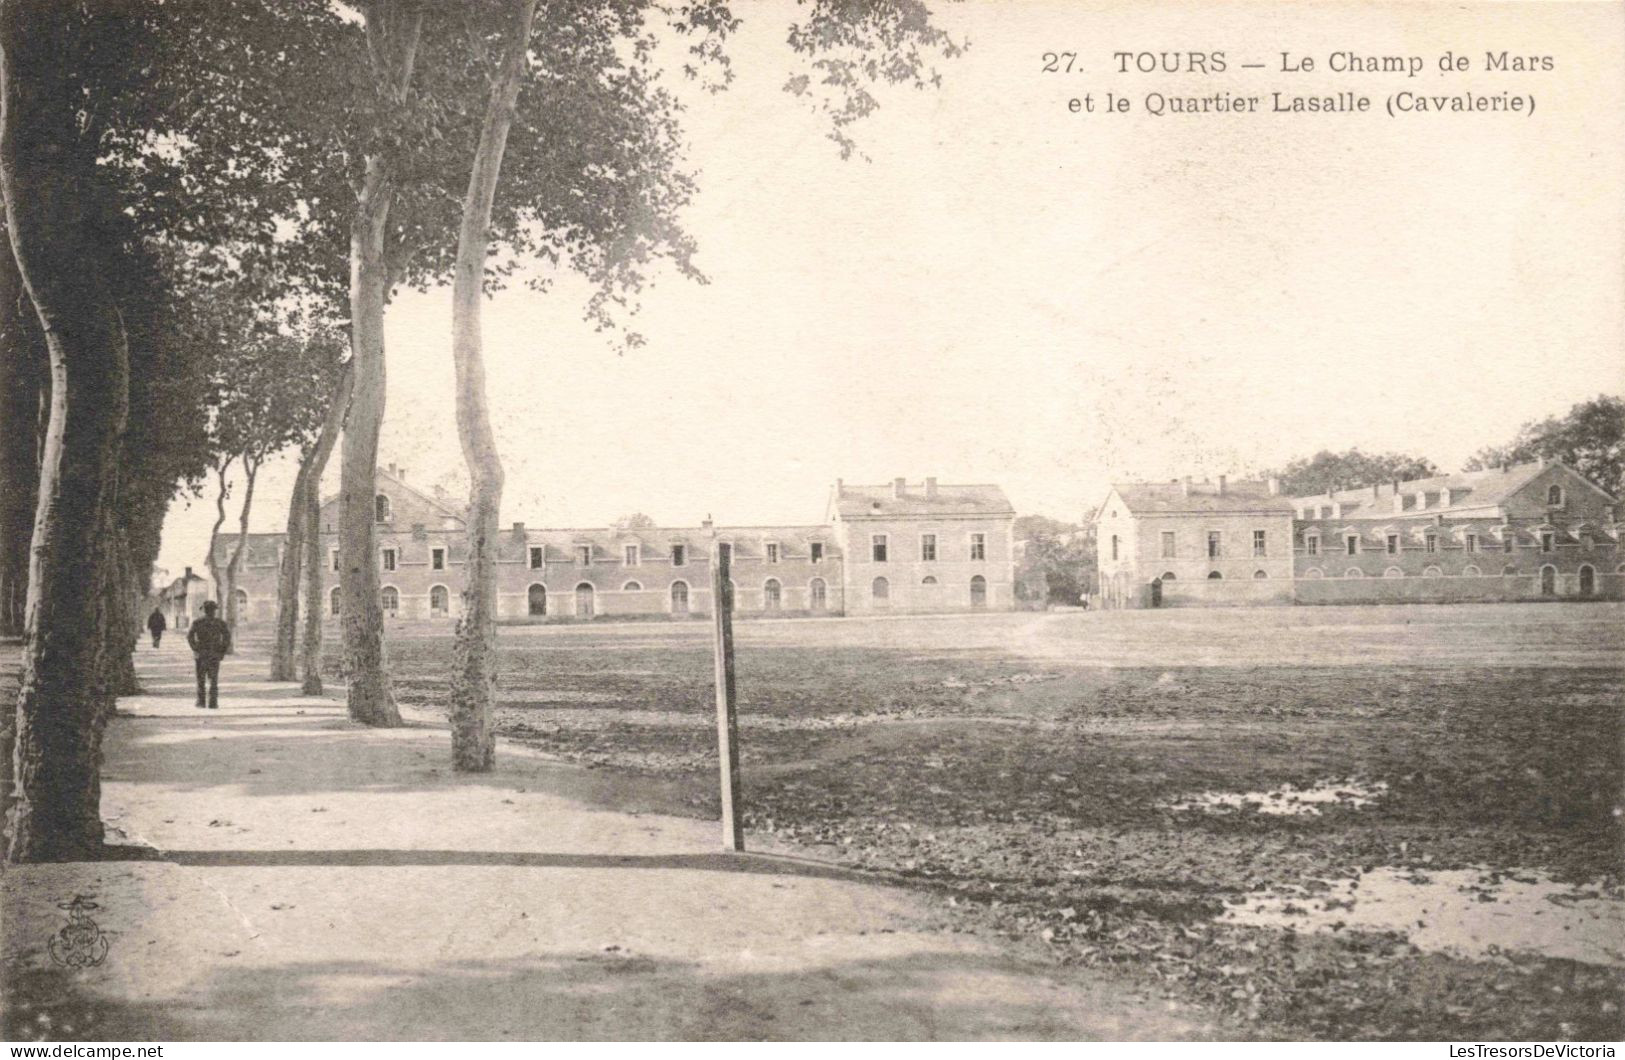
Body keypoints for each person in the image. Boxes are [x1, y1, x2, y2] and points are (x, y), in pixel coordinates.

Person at [187, 601, 232, 710]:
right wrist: (222, 651)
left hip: (201, 654)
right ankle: (213, 703)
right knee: (213, 679)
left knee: (201, 679)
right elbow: (227, 637)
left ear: (204, 610)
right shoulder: (220, 623)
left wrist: (195, 648)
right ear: (214, 610)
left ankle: (201, 702)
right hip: (214, 654)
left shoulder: (197, 622)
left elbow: (189, 636)